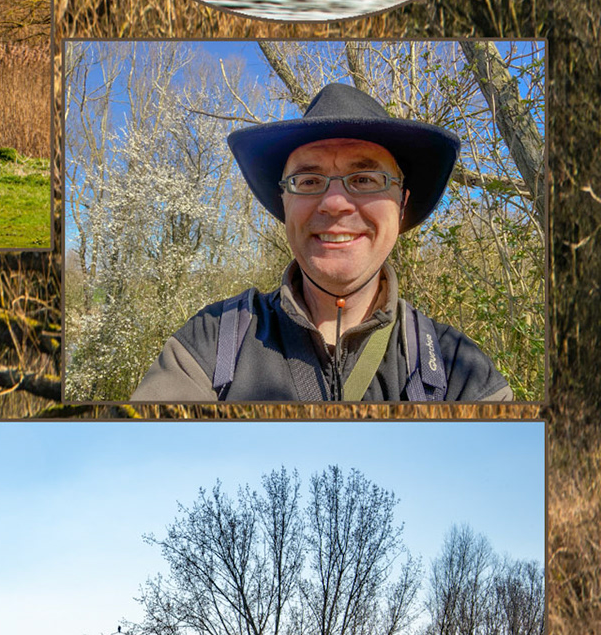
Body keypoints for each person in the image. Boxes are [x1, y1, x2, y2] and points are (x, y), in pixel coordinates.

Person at [131, 81, 513, 402]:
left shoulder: (458, 372)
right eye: (308, 181)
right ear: (285, 201)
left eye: (365, 179)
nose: (333, 203)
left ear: (402, 204)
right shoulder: (210, 346)